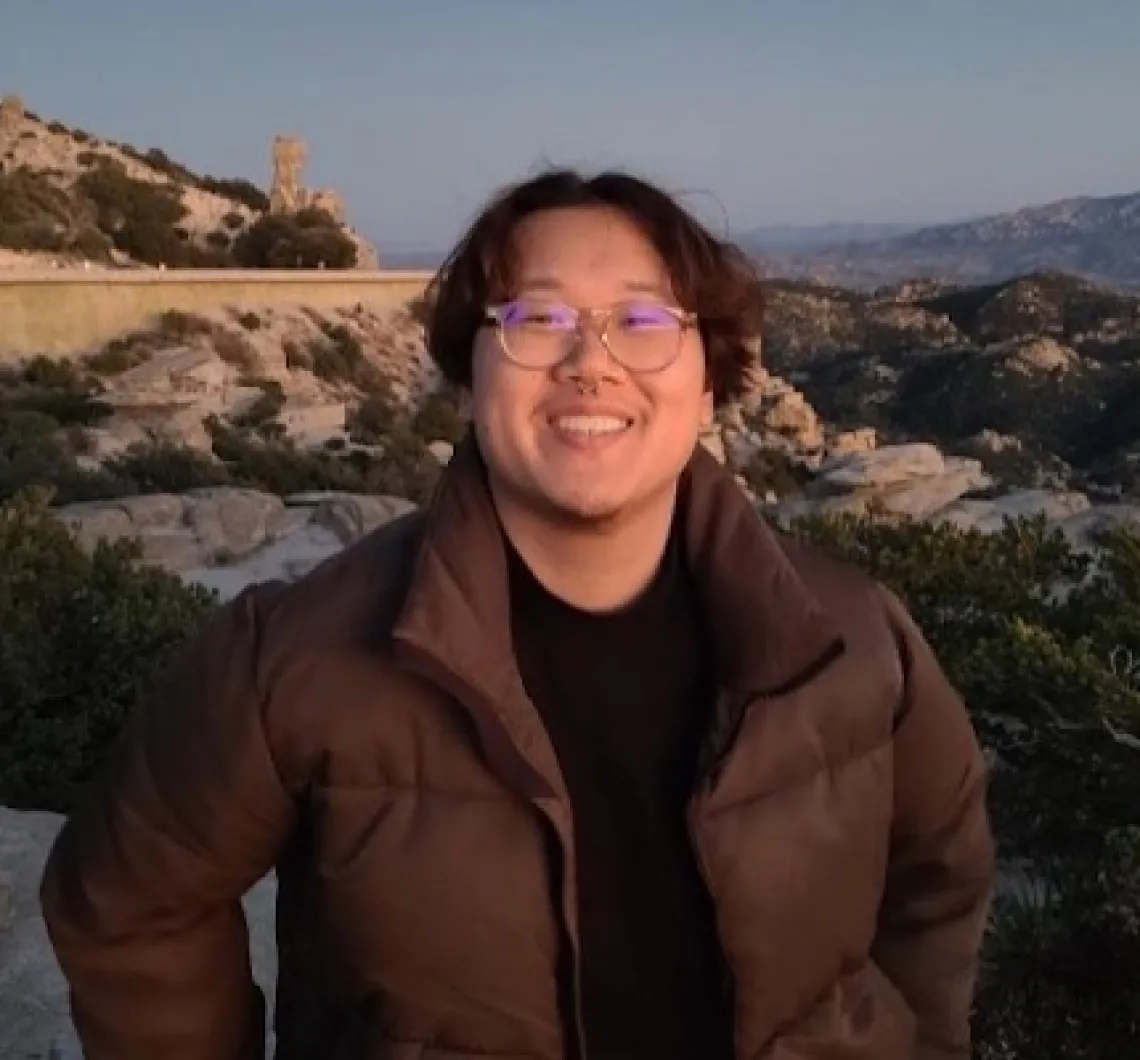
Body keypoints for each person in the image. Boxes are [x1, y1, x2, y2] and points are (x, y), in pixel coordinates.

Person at [40, 168, 996, 1060]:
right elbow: (129, 900)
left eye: (643, 318)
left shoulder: (859, 641)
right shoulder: (291, 659)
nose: (591, 360)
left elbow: (938, 886)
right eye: (538, 317)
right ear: (470, 377)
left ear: (709, 382)